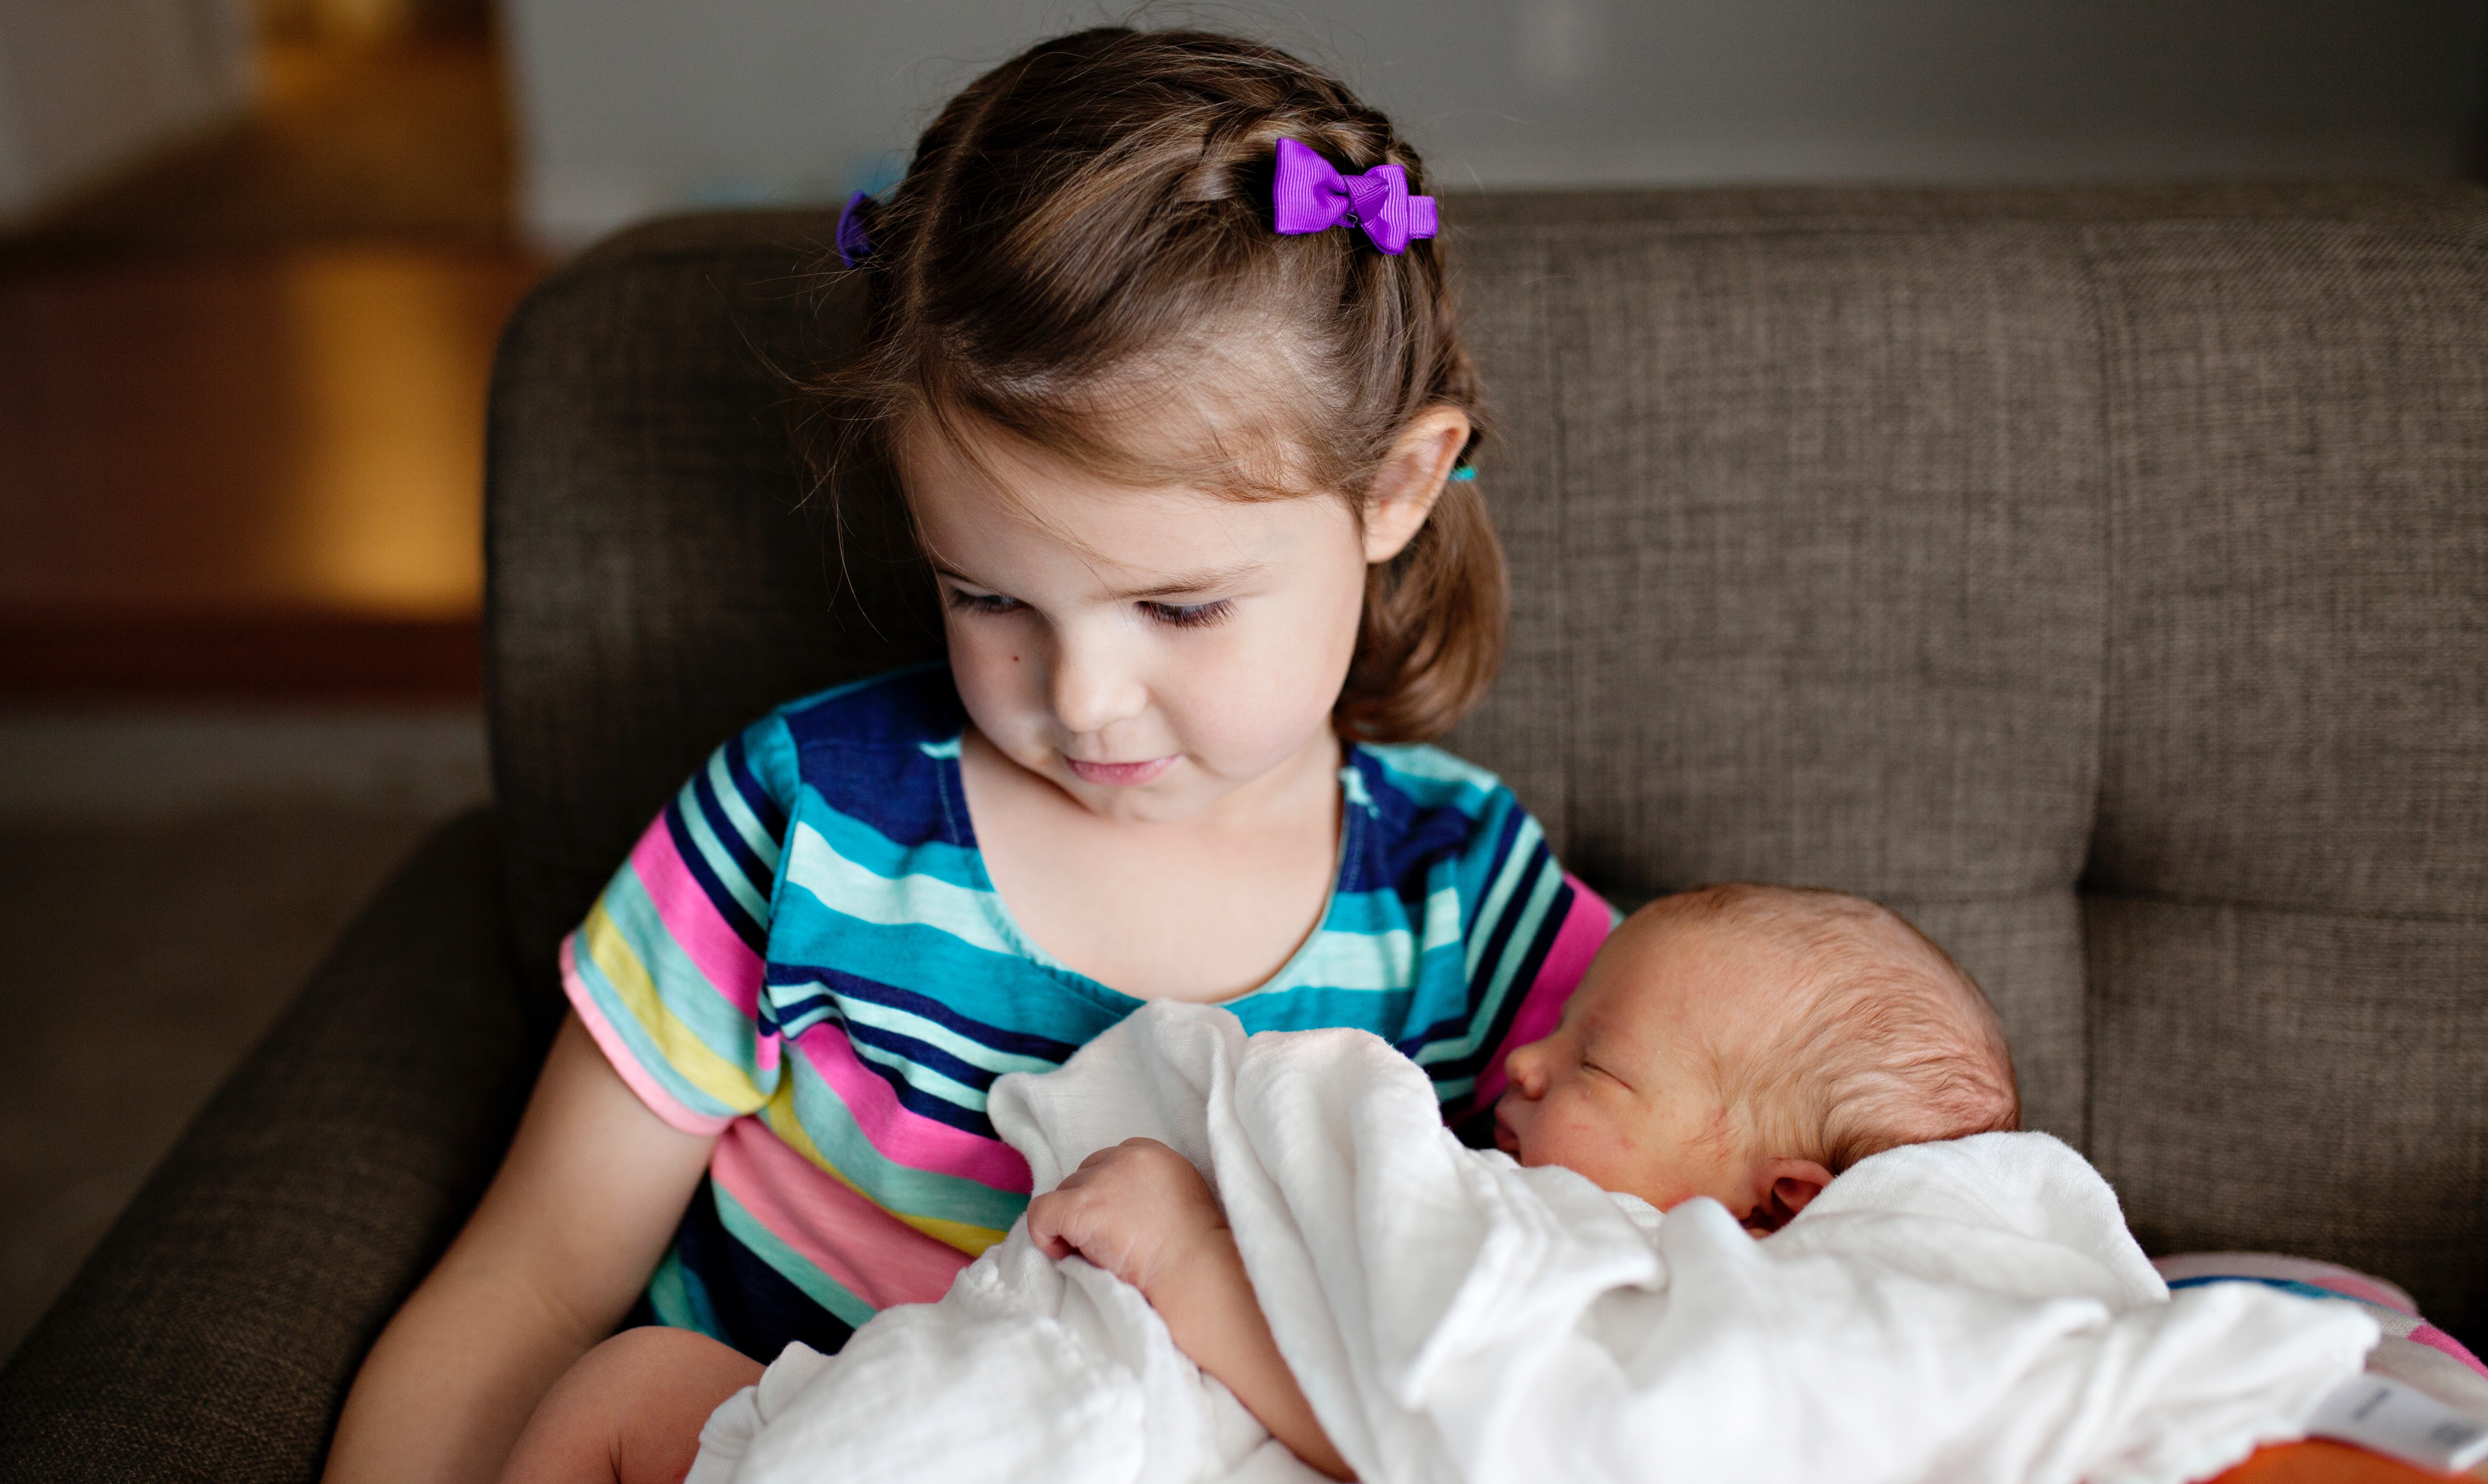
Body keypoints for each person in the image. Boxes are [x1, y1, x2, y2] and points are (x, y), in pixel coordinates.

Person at [323, 26, 1615, 1484]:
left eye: (1178, 606)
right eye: (988, 596)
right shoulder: (800, 825)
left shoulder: (1474, 909)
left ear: (1397, 488)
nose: (1086, 701)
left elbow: (1622, 1337)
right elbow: (535, 1282)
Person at [487, 883, 2019, 1484]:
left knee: (647, 1397)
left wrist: (1191, 1256)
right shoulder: (1504, 1203)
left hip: (1086, 1435)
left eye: (1594, 1067)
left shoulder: (1649, 1331)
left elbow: (1440, 1433)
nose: (1520, 1068)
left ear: (1777, 1202)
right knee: (638, 1382)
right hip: (1027, 1387)